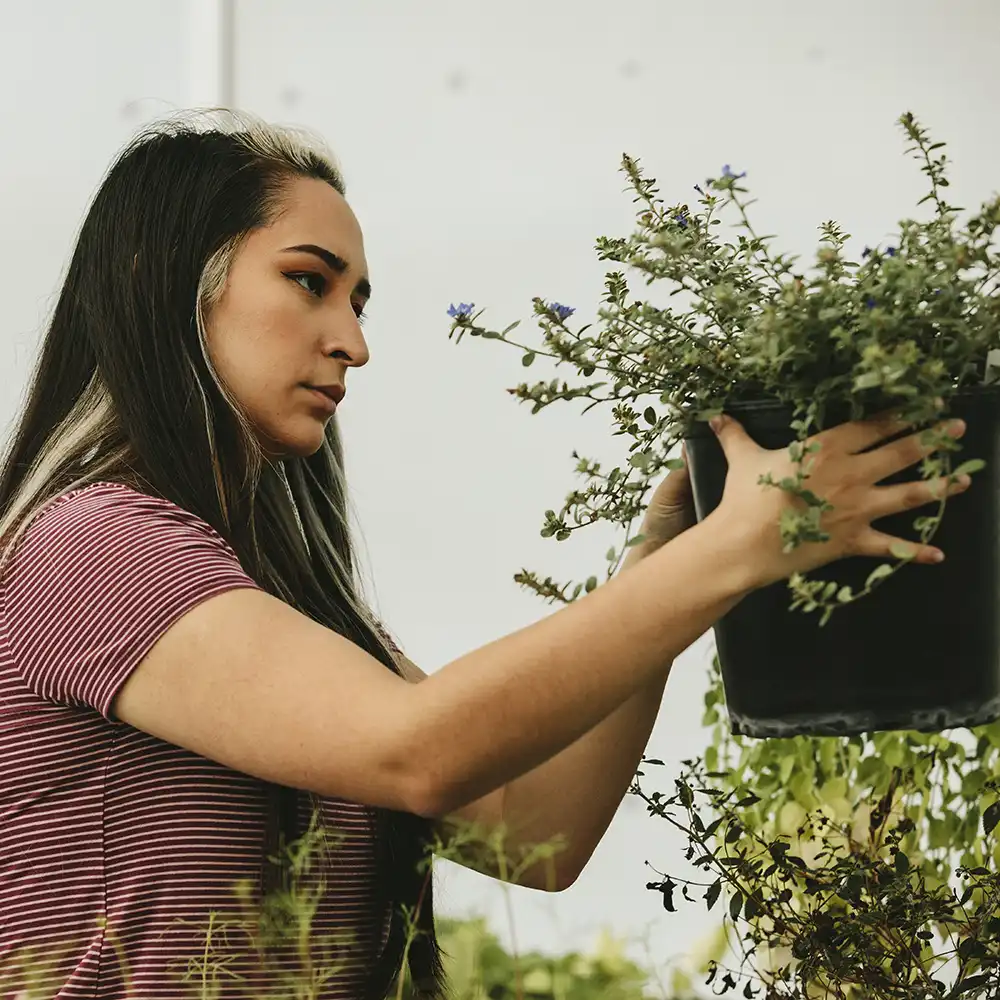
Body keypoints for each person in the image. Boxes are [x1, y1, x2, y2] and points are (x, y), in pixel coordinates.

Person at [0, 109, 970, 1000]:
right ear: (162, 278)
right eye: (308, 279)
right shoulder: (94, 547)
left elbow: (532, 829)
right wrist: (730, 548)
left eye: (361, 300)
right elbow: (417, 749)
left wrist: (668, 560)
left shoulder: (270, 597)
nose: (352, 341)